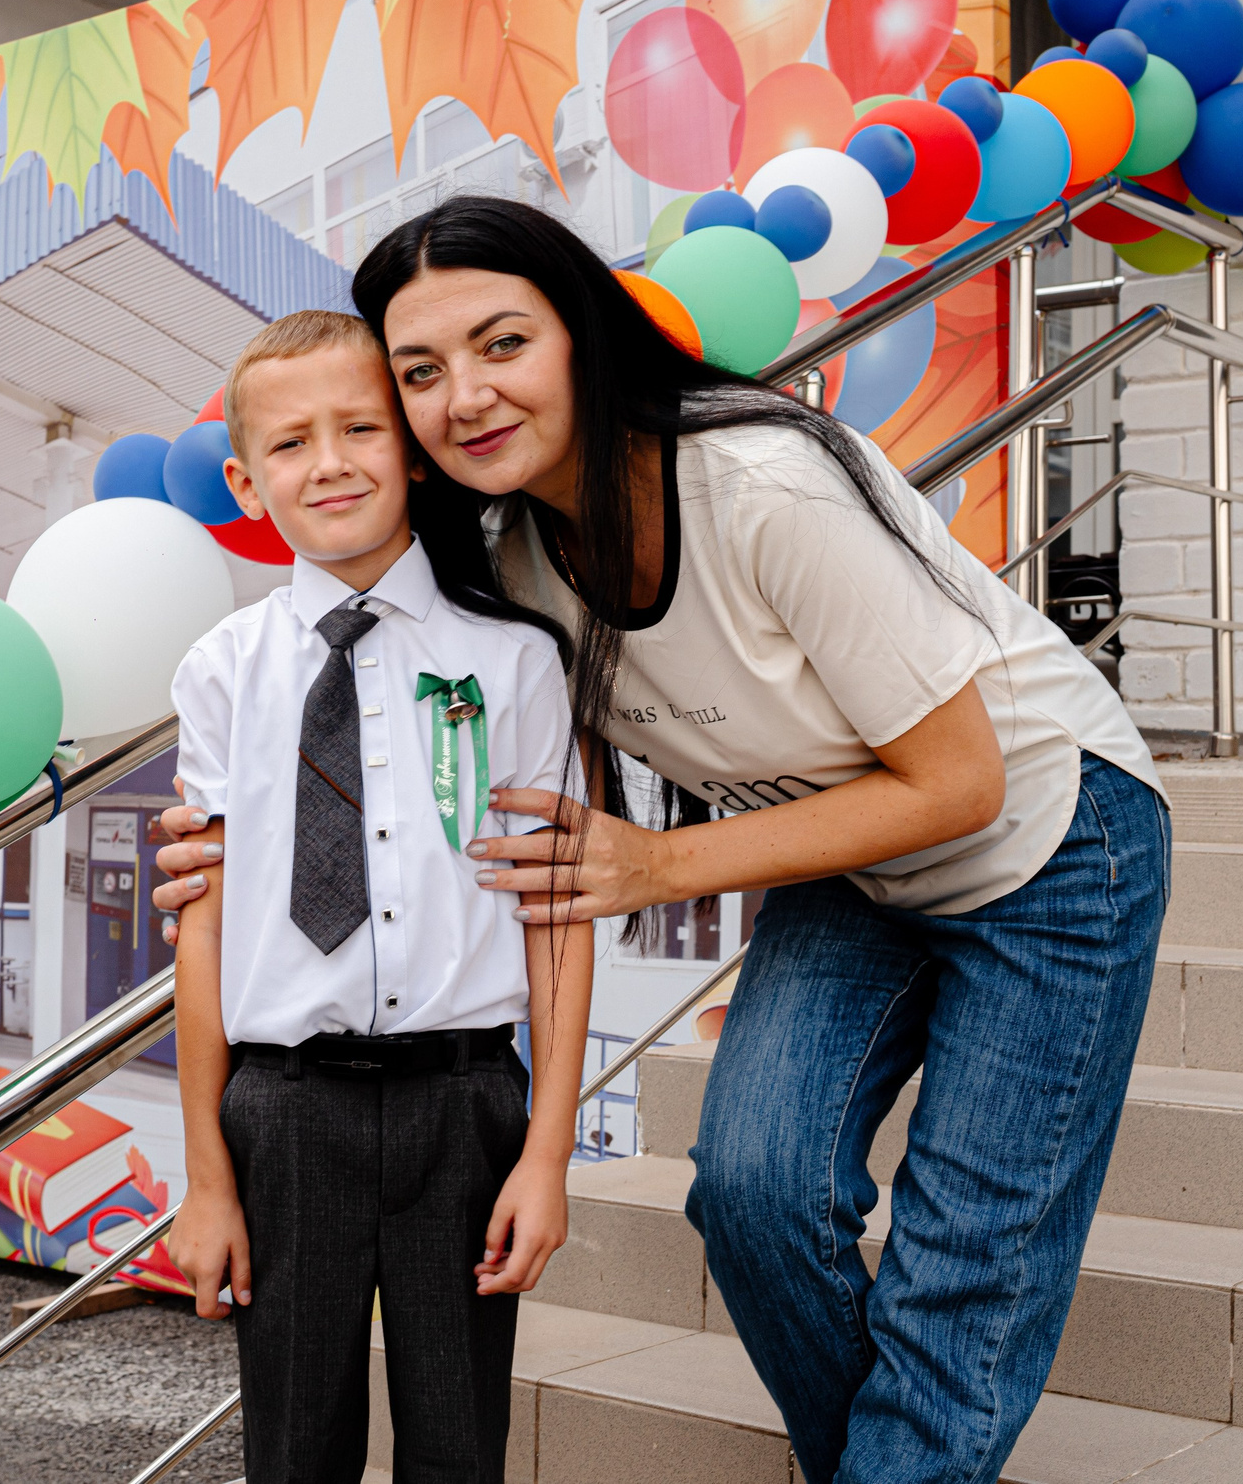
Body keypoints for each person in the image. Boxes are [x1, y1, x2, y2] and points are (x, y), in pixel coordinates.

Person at [154, 199, 1172, 1484]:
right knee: (751, 1190)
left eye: (503, 343)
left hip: (1048, 836)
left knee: (969, 1263)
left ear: (582, 333)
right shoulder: (506, 557)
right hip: (849, 846)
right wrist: (235, 845)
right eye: (419, 372)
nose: (465, 395)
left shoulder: (760, 484)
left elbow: (961, 783)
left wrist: (655, 864)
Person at [164, 308, 594, 1484]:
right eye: (290, 442)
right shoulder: (222, 672)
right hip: (285, 1111)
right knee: (292, 1450)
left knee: (458, 1447)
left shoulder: (513, 660)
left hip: (464, 1103)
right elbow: (201, 928)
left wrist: (546, 1153)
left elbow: (555, 914)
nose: (331, 462)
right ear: (247, 484)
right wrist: (206, 1176)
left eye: (360, 427)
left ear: (413, 449)